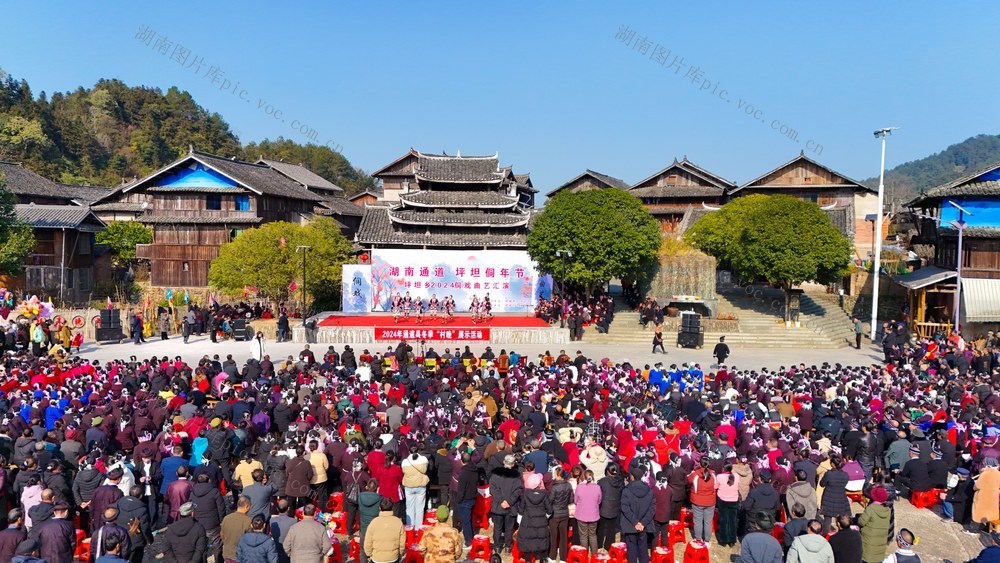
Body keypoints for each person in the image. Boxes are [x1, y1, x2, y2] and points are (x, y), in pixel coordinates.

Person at [488, 454, 522, 555]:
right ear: (512, 464)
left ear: (504, 462)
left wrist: (505, 501)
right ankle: (507, 547)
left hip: (503, 505)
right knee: (508, 528)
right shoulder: (516, 476)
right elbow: (517, 491)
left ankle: (498, 547)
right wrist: (505, 501)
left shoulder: (496, 475)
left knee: (498, 528)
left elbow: (493, 490)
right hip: (507, 506)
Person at [620, 466, 655, 563]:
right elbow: (652, 509)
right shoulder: (649, 490)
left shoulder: (626, 490)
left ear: (632, 477)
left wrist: (635, 522)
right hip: (643, 525)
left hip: (631, 524)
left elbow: (625, 508)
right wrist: (643, 523)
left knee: (631, 550)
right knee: (643, 548)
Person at [519, 473, 550, 563]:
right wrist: (545, 516)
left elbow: (521, 509)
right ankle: (543, 559)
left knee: (528, 540)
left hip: (528, 521)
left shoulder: (525, 494)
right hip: (541, 522)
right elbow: (550, 510)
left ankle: (528, 560)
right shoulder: (544, 494)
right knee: (542, 540)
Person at [364, 498, 406, 563]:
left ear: (380, 508)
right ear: (392, 508)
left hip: (377, 558)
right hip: (393, 557)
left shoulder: (374, 522)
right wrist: (400, 553)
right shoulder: (398, 522)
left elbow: (368, 541)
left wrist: (369, 554)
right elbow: (402, 542)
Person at [687, 458, 717, 545]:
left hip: (697, 501)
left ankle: (698, 539)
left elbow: (688, 480)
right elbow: (715, 486)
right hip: (710, 501)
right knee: (708, 522)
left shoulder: (695, 474)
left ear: (700, 464)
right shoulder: (713, 474)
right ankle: (707, 540)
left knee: (698, 521)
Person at [859, 487, 892, 563]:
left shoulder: (871, 508)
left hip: (868, 544)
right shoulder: (887, 510)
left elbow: (861, 522)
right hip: (880, 545)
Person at [973, 457, 1000, 532]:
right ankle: (986, 528)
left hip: (983, 496)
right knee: (988, 513)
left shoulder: (986, 473)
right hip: (993, 496)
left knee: (978, 513)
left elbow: (977, 486)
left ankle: (974, 529)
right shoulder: (998, 474)